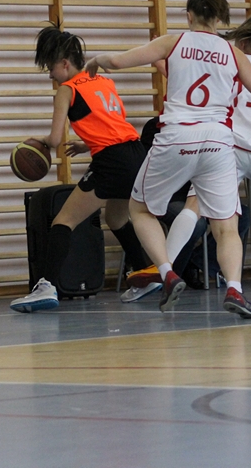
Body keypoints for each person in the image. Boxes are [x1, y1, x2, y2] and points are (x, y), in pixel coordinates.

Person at [85, 0, 251, 319]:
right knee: (227, 225)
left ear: (189, 15)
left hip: (178, 136)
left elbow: (118, 61)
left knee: (139, 209)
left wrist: (96, 61)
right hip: (219, 142)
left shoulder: (173, 42)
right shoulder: (234, 53)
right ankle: (235, 289)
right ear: (219, 18)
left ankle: (167, 273)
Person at [10, 24, 148, 313]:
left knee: (63, 221)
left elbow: (55, 139)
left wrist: (37, 143)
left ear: (64, 63)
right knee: (116, 218)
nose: (50, 75)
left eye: (50, 68)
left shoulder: (66, 90)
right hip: (136, 155)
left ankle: (46, 286)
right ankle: (145, 275)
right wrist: (88, 144)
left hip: (111, 162)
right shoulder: (103, 81)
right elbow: (112, 124)